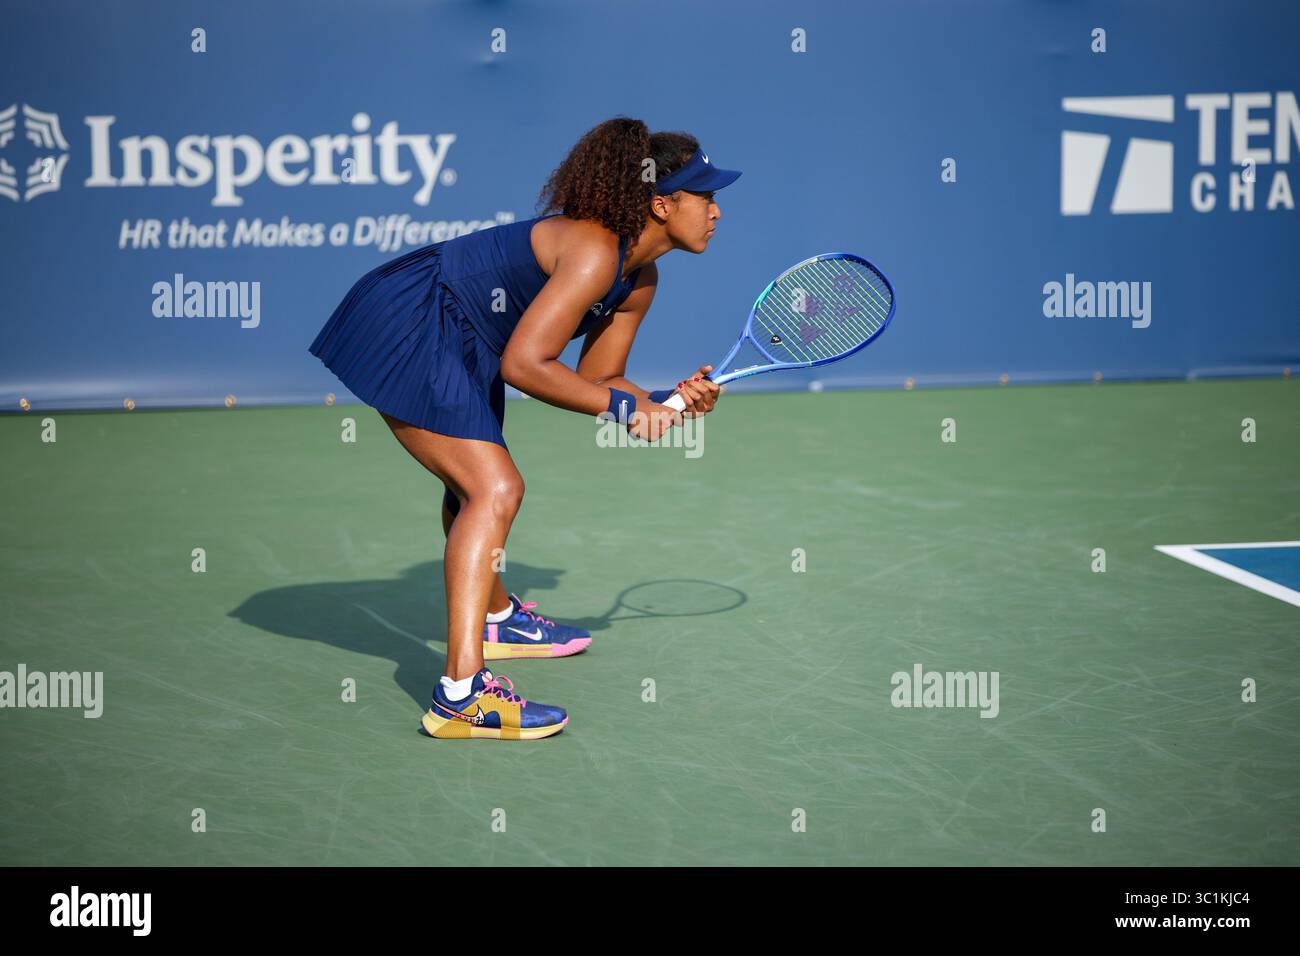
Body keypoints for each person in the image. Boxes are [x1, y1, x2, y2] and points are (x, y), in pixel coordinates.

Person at [308, 117, 739, 740]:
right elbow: (526, 366)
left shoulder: (640, 279)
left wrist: (666, 400)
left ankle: (498, 617)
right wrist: (625, 413)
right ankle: (460, 695)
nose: (716, 212)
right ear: (660, 203)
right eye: (705, 196)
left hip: (467, 334)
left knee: (471, 487)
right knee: (495, 489)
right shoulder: (594, 251)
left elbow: (601, 374)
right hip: (412, 317)